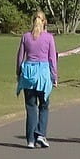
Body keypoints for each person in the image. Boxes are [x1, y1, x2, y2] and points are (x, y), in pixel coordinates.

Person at [15, 12, 58, 148]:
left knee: (31, 107)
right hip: (43, 74)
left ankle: (30, 139)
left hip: (28, 73)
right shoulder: (49, 38)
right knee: (44, 106)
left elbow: (20, 57)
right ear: (45, 22)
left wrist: (18, 73)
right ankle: (41, 133)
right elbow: (52, 59)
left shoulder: (26, 37)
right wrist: (54, 77)